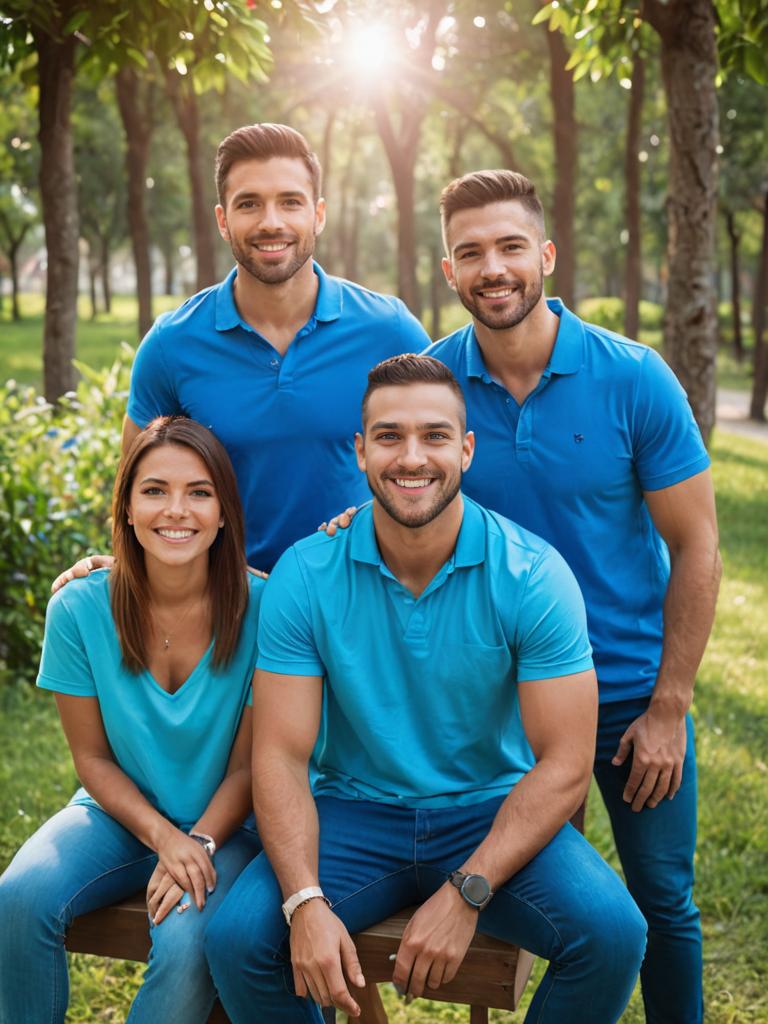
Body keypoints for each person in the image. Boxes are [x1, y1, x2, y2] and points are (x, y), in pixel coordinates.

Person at [204, 354, 647, 1024]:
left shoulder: (532, 575)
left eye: (435, 436)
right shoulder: (307, 573)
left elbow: (564, 764)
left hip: (490, 810)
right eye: (389, 436)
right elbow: (280, 756)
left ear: (467, 449)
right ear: (359, 450)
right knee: (239, 939)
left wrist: (469, 890)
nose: (412, 458)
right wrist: (305, 903)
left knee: (613, 935)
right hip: (354, 812)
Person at [423, 170, 722, 1024]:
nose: (494, 268)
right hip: (498, 701)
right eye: (471, 252)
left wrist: (670, 706)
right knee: (539, 902)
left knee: (662, 903)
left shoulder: (633, 378)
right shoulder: (432, 386)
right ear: (449, 271)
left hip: (631, 697)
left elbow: (696, 543)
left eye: (512, 247)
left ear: (545, 255)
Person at [52, 122, 429, 586]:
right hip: (225, 612)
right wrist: (119, 575)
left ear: (319, 214)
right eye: (249, 203)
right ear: (223, 219)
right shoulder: (172, 345)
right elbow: (133, 494)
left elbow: (442, 457)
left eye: (290, 201)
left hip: (359, 604)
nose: (271, 222)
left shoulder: (389, 331)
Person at [0, 417, 264, 1024]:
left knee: (185, 942)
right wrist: (162, 836)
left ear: (224, 512)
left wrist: (195, 839)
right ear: (126, 508)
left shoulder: (265, 609)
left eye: (199, 492)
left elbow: (252, 766)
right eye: (154, 490)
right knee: (17, 900)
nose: (177, 510)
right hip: (118, 816)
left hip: (228, 826)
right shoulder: (78, 609)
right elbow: (91, 759)